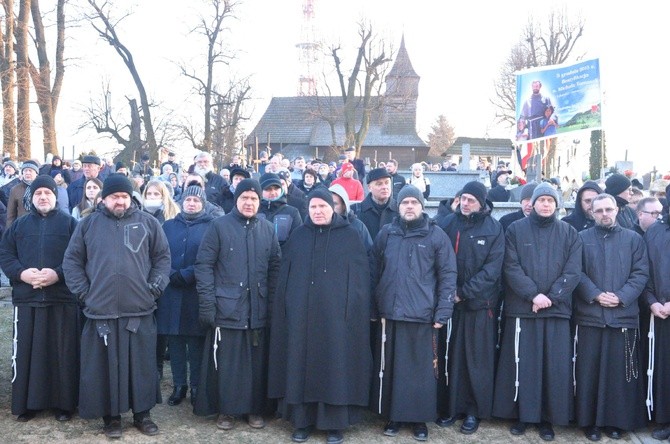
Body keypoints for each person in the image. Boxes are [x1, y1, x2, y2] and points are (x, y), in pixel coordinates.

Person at [63, 173, 170, 439]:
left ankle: (142, 414)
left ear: (130, 197)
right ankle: (111, 417)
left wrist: (154, 288)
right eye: (114, 197)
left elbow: (162, 258)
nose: (119, 201)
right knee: (104, 368)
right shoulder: (88, 225)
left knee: (141, 366)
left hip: (139, 309)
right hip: (101, 309)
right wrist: (84, 294)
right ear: (103, 198)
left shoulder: (148, 223)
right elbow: (72, 261)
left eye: (123, 196)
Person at [268, 188, 372, 444]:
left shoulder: (350, 236)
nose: (317, 211)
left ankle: (334, 425)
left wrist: (351, 311)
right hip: (301, 318)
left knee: (335, 366)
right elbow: (286, 278)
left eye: (322, 207)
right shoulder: (299, 236)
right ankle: (302, 421)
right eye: (313, 207)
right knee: (301, 365)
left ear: (333, 208)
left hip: (337, 320)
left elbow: (360, 282)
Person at [492, 182, 582, 441]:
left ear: (556, 204)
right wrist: (533, 294)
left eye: (550, 201)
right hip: (523, 309)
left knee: (552, 367)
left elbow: (573, 270)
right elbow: (511, 267)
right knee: (522, 364)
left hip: (556, 311)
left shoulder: (569, 232)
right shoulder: (515, 230)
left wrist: (551, 298)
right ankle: (521, 415)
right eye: (541, 200)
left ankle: (547, 419)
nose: (545, 204)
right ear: (532, 203)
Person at [370, 184, 457, 441]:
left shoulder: (436, 236)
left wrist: (443, 310)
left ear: (422, 206)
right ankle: (393, 417)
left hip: (422, 314)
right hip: (390, 313)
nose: (409, 206)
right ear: (398, 206)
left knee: (420, 374)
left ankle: (419, 420)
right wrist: (374, 307)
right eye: (405, 202)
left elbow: (448, 275)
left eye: (414, 203)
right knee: (393, 370)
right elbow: (374, 271)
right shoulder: (387, 233)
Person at [194, 178, 281, 431]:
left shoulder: (267, 229)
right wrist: (208, 304)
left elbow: (275, 266)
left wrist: (272, 304)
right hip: (228, 308)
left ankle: (255, 409)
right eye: (245, 198)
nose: (249, 202)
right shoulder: (218, 226)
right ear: (236, 199)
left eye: (254, 199)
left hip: (258, 309)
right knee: (229, 365)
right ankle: (227, 411)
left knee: (256, 364)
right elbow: (204, 266)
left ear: (260, 202)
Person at [0, 175, 79, 423]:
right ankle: (27, 405)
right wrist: (21, 273)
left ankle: (63, 405)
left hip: (61, 298)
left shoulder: (71, 224)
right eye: (38, 194)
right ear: (31, 198)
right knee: (27, 355)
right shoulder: (18, 226)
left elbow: (80, 257)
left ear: (56, 196)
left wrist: (58, 274)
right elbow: (6, 255)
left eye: (47, 193)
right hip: (27, 298)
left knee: (62, 354)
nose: (43, 197)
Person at [574, 193, 648, 441]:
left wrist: (621, 296)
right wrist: (594, 294)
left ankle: (616, 421)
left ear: (617, 210)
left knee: (619, 375)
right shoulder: (581, 238)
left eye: (609, 209)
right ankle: (590, 422)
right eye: (599, 210)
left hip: (623, 317)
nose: (604, 214)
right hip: (590, 316)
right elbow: (577, 272)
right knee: (589, 372)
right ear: (591, 213)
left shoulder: (634, 240)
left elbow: (640, 273)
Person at [435, 181, 505, 434]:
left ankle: (473, 411)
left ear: (482, 203)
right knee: (451, 358)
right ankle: (452, 407)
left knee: (477, 361)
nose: (465, 204)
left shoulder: (494, 229)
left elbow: (492, 271)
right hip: (450, 304)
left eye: (471, 200)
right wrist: (449, 293)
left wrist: (463, 293)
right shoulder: (447, 224)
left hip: (479, 304)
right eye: (463, 198)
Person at [157, 185, 212, 407]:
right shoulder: (168, 226)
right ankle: (180, 385)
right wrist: (169, 273)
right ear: (181, 202)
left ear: (203, 204)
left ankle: (197, 386)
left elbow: (209, 257)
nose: (191, 203)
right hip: (171, 289)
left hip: (196, 290)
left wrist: (189, 274)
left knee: (195, 341)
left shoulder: (211, 227)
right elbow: (159, 253)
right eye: (188, 200)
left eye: (196, 201)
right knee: (176, 340)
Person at [644, 211, 670, 440]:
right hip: (662, 312)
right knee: (665, 370)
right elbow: (645, 270)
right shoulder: (655, 232)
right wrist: (652, 301)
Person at [257, 172, 302, 248]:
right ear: (260, 191)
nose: (273, 192)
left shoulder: (292, 212)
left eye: (276, 188)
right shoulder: (253, 212)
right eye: (268, 189)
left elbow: (298, 241)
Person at [352, 168, 397, 242]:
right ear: (369, 188)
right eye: (379, 184)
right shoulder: (355, 211)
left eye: (387, 182)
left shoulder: (400, 210)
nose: (384, 187)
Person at [329, 184, 373, 251]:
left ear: (344, 206)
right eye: (328, 203)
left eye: (335, 204)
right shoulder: (320, 226)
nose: (330, 207)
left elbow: (369, 254)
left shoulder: (358, 227)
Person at [6, 160, 39, 227]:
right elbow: (11, 215)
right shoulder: (15, 189)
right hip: (22, 226)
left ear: (36, 173)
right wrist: (8, 233)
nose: (27, 173)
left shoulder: (42, 188)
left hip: (39, 226)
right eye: (25, 170)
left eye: (30, 170)